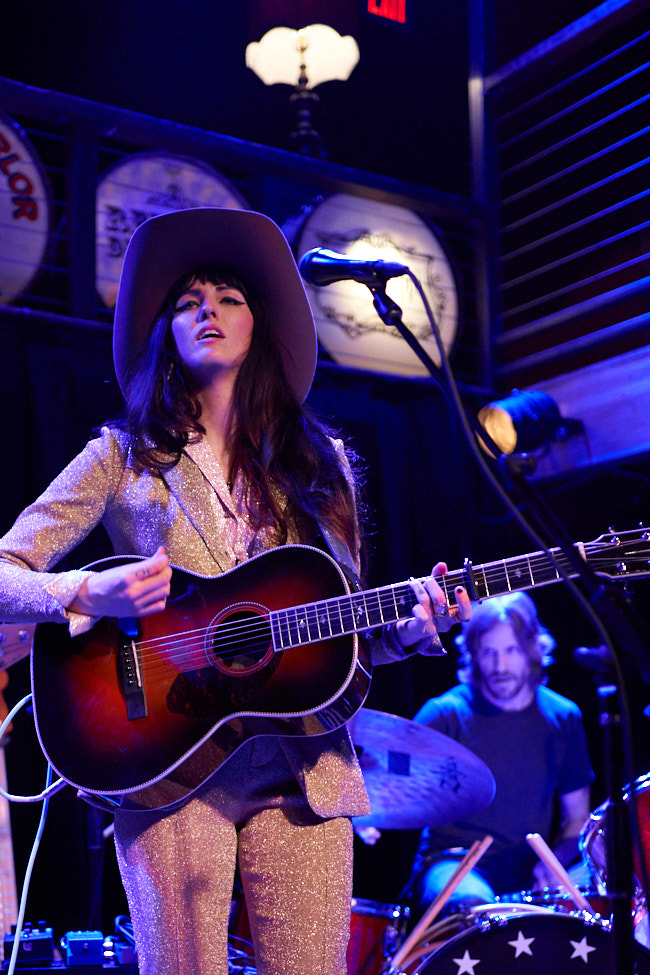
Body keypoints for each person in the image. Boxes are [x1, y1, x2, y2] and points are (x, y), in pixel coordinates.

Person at [0, 207, 471, 975]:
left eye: (228, 297)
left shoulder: (323, 466)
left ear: (261, 325)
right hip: (169, 766)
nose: (209, 310)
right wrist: (93, 589)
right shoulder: (120, 456)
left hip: (305, 767)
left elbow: (340, 629)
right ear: (165, 331)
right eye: (188, 301)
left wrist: (412, 627)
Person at [408, 590, 594, 916]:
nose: (500, 665)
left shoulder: (564, 717)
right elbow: (386, 773)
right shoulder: (444, 714)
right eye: (489, 652)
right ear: (474, 654)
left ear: (533, 649)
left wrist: (555, 864)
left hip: (531, 867)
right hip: (455, 865)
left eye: (512, 650)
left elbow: (577, 820)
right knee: (474, 908)